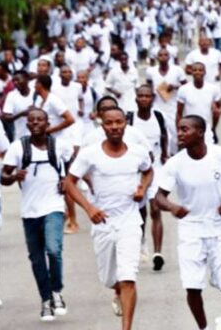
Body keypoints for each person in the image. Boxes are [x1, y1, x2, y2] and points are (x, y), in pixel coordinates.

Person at [155, 115, 221, 330]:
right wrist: (172, 207)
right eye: (178, 129)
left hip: (220, 228)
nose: (179, 133)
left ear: (200, 132)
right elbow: (159, 196)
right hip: (191, 230)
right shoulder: (175, 163)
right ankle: (203, 327)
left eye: (184, 129)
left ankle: (217, 274)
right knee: (192, 286)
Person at [64, 107, 153, 330]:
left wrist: (142, 187)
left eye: (119, 122)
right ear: (102, 125)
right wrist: (89, 208)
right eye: (109, 123)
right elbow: (69, 182)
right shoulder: (90, 154)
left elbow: (148, 170)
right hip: (103, 223)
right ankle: (117, 291)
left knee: (128, 277)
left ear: (126, 124)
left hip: (130, 221)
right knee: (108, 279)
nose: (114, 127)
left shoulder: (138, 152)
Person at [1, 109, 74, 321]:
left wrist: (65, 179)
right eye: (31, 120)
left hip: (53, 206)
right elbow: (3, 176)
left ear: (47, 122)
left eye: (40, 120)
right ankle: (45, 300)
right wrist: (14, 175)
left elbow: (71, 165)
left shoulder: (58, 145)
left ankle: (57, 291)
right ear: (27, 123)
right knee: (36, 259)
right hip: (29, 210)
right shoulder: (18, 147)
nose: (35, 123)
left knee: (53, 249)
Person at [126, 85, 168, 271]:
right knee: (140, 212)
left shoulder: (158, 117)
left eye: (147, 96)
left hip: (156, 169)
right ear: (136, 99)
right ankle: (141, 242)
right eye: (140, 96)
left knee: (156, 209)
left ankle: (157, 253)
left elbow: (164, 136)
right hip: (136, 172)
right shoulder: (130, 120)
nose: (144, 99)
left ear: (152, 99)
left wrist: (165, 154)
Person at [176, 62, 221, 144]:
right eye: (195, 70)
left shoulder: (213, 89)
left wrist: (214, 126)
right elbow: (179, 113)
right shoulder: (183, 90)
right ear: (191, 72)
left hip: (206, 129)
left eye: (200, 70)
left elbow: (220, 108)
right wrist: (179, 132)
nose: (198, 72)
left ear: (205, 72)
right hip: (188, 130)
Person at [1, 70, 34, 140]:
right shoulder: (11, 95)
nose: (16, 83)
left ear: (27, 79)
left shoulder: (35, 92)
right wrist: (21, 114)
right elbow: (6, 117)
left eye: (18, 80)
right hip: (21, 136)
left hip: (38, 135)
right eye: (14, 81)